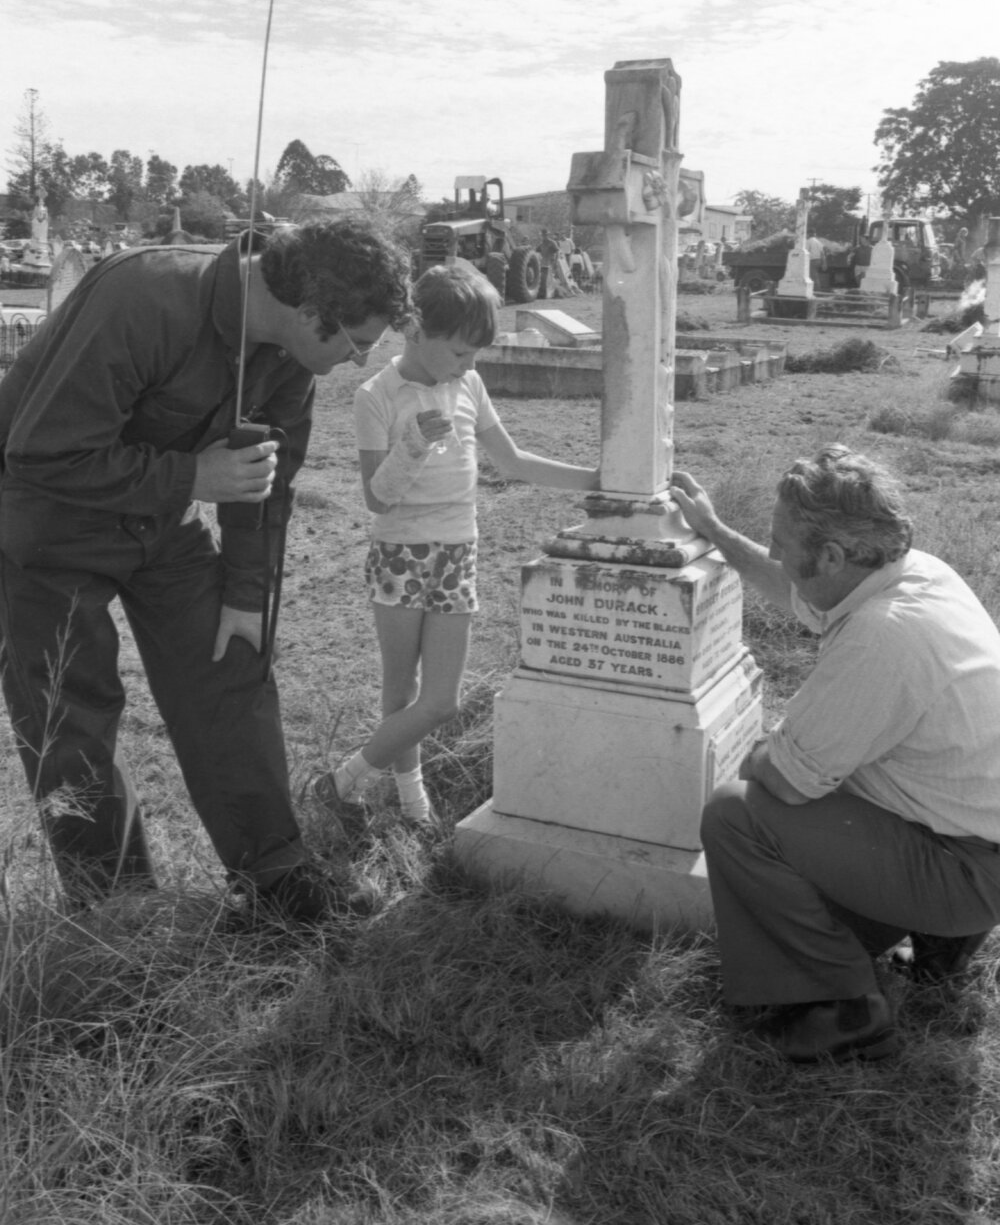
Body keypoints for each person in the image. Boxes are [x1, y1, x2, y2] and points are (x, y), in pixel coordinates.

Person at [0, 217, 412, 923]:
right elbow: (41, 452)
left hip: (161, 521)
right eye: (357, 343)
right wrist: (192, 475)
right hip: (45, 518)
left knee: (230, 664)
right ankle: (117, 911)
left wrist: (247, 595)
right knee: (74, 713)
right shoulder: (146, 299)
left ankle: (277, 881)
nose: (355, 361)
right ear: (311, 313)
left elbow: (267, 484)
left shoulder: (289, 356)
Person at [670, 444, 1000, 1063]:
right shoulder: (910, 573)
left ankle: (847, 1008)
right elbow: (791, 586)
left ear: (830, 555)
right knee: (829, 784)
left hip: (964, 867)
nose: (771, 552)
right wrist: (714, 532)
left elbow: (790, 784)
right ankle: (935, 938)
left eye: (777, 539)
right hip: (969, 836)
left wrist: (763, 751)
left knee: (739, 812)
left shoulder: (883, 634)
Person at [314, 261, 600, 829]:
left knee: (440, 700)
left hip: (457, 552)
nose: (470, 365)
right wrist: (413, 445)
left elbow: (512, 461)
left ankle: (342, 782)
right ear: (415, 329)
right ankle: (412, 803)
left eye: (475, 356)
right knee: (401, 689)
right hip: (400, 554)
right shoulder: (376, 395)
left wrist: (596, 478)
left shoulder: (468, 383)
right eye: (461, 352)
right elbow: (378, 498)